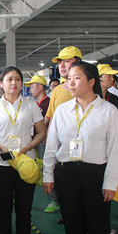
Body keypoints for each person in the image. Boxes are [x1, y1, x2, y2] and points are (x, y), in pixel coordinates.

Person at [42, 61, 118, 234]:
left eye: (76, 78)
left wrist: (110, 183)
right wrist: (48, 174)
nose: (71, 83)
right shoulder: (62, 110)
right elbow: (52, 145)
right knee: (73, 229)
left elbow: (115, 150)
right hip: (66, 174)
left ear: (91, 81)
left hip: (95, 175)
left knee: (99, 231)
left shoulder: (108, 111)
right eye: (69, 79)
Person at [0, 67, 46, 234]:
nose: (14, 83)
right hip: (2, 163)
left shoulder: (31, 105)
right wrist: (0, 146)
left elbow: (42, 132)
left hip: (25, 164)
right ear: (1, 84)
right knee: (3, 212)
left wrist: (28, 147)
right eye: (9, 79)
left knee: (24, 213)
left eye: (18, 79)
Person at [43, 46, 82, 219]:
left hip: (87, 154)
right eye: (60, 62)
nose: (62, 65)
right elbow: (51, 119)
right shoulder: (57, 91)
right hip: (64, 153)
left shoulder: (89, 89)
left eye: (67, 61)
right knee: (67, 196)